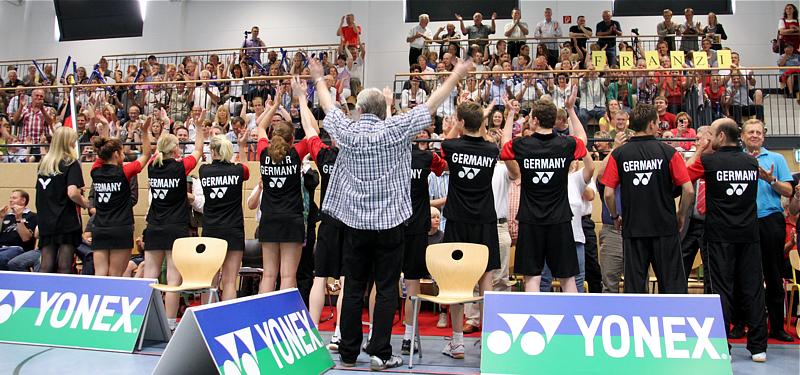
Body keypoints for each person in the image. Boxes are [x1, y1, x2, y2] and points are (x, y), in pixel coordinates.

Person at [309, 55, 469, 370]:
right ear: (384, 111)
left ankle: (349, 353)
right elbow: (430, 106)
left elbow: (328, 107)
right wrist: (454, 75)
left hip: (355, 225)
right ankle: (381, 354)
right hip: (391, 225)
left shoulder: (348, 132)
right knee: (385, 288)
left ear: (359, 110)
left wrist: (317, 78)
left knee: (353, 286)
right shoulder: (394, 129)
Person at [685, 118, 768, 362]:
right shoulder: (751, 162)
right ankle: (758, 348)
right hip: (749, 235)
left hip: (719, 236)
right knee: (752, 289)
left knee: (721, 289)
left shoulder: (709, 161)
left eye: (711, 134)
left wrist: (701, 148)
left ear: (721, 137)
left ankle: (723, 347)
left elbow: (684, 174)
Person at [501, 86, 592, 293]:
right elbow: (583, 141)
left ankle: (534, 323)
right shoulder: (565, 144)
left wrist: (511, 114)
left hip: (531, 221)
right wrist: (570, 109)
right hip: (559, 220)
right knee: (568, 278)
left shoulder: (523, 144)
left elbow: (504, 143)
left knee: (532, 277)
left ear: (534, 120)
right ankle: (574, 324)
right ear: (553, 121)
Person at [600, 104, 694, 294]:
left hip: (633, 230)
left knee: (635, 289)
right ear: (651, 124)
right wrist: (681, 214)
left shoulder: (619, 154)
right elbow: (689, 190)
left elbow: (608, 193)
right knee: (672, 286)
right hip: (665, 229)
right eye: (657, 122)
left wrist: (615, 216)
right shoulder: (669, 153)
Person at [439, 99, 500, 358]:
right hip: (484, 221)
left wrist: (457, 125)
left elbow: (447, 139)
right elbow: (484, 137)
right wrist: (480, 119)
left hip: (457, 221)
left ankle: (458, 342)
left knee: (456, 281)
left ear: (461, 123)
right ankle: (487, 339)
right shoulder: (491, 149)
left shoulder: (451, 146)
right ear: (482, 124)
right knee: (487, 280)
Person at [256, 79, 316, 294]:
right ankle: (284, 320)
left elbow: (260, 126)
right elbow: (313, 130)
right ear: (292, 140)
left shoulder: (264, 154)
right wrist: (301, 98)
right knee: (288, 276)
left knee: (269, 274)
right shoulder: (295, 154)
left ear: (273, 137)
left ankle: (265, 318)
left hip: (270, 218)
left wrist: (275, 104)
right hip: (291, 219)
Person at [143, 124, 204, 330]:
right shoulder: (180, 167)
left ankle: (143, 321)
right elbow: (197, 150)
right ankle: (169, 324)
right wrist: (200, 127)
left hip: (154, 226)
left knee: (149, 277)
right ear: (175, 150)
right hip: (175, 227)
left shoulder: (152, 166)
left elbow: (151, 152)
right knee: (172, 279)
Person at [739, 119, 795, 342]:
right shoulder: (737, 158)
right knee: (743, 275)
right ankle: (741, 324)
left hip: (770, 221)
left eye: (758, 132)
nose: (754, 135)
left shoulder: (777, 159)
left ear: (764, 136)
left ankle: (777, 328)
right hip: (742, 222)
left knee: (773, 275)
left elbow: (789, 190)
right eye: (750, 132)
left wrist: (771, 179)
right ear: (742, 136)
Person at [400, 131, 446, 354]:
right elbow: (443, 166)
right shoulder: (426, 158)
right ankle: (401, 337)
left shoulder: (395, 154)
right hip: (404, 226)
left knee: (407, 285)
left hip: (407, 226)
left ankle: (407, 337)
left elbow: (442, 166)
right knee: (401, 284)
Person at [91, 118, 152, 277]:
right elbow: (146, 154)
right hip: (120, 227)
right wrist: (145, 132)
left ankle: (100, 301)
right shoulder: (125, 172)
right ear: (116, 153)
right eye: (122, 151)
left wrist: (105, 130)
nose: (124, 154)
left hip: (100, 228)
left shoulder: (95, 170)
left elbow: (102, 154)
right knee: (115, 274)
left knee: (100, 273)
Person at [198, 135, 250, 301]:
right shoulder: (238, 170)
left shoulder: (204, 170)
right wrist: (242, 147)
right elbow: (246, 170)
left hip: (211, 229)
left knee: (210, 280)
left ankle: (206, 317)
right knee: (229, 282)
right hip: (233, 230)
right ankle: (228, 321)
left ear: (213, 151)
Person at [34, 126, 89, 273]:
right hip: (65, 219)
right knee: (64, 265)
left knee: (46, 263)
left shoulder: (44, 165)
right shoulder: (71, 163)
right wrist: (85, 203)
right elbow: (72, 192)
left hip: (46, 219)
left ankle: (42, 293)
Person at [0, 190, 38, 270]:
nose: (10, 200)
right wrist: (1, 218)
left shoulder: (32, 216)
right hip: (2, 248)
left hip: (18, 249)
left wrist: (19, 218)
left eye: (14, 198)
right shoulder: (7, 216)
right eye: (10, 198)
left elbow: (26, 238)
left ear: (23, 200)